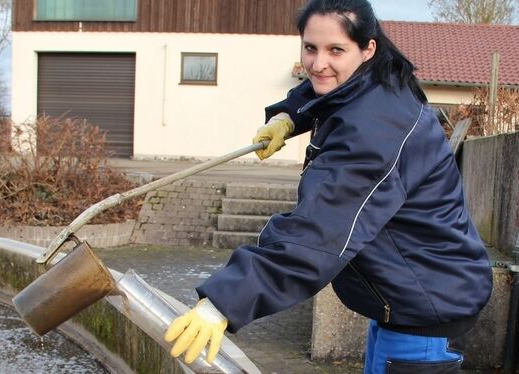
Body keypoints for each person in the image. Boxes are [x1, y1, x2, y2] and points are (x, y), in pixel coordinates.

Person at [164, 0, 493, 372]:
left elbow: (318, 234)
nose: (319, 63)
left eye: (336, 49)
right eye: (310, 48)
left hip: (425, 311)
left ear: (368, 48)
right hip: (408, 300)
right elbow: (324, 89)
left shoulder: (374, 130)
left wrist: (223, 302)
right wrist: (289, 116)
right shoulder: (377, 81)